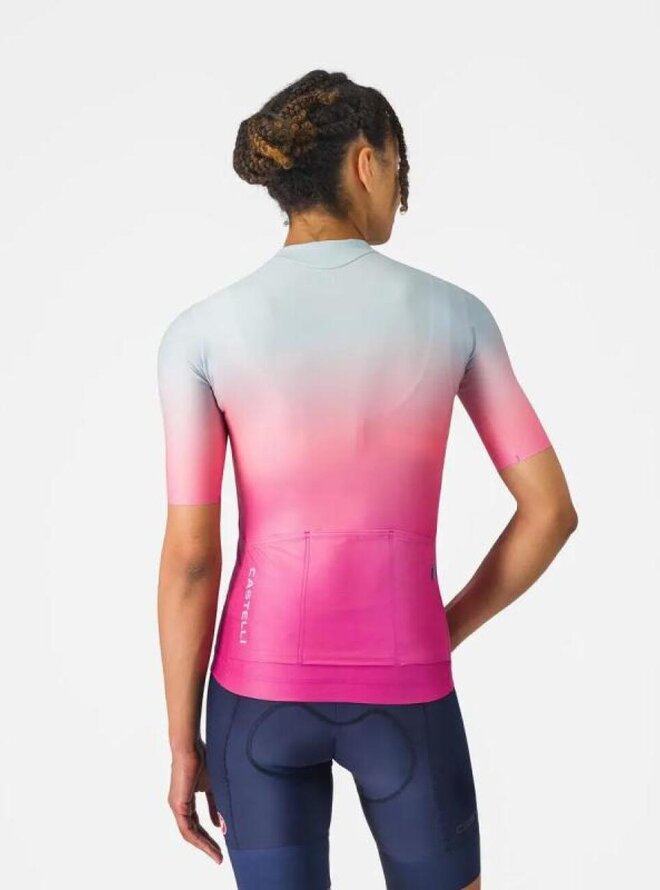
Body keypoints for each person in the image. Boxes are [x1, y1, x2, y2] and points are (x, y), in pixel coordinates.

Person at [156, 69, 578, 890]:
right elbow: (550, 512)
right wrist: (440, 631)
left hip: (255, 693)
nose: (401, 193)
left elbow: (192, 559)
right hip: (407, 688)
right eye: (399, 167)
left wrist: (181, 743)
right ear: (365, 162)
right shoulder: (456, 316)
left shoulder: (199, 334)